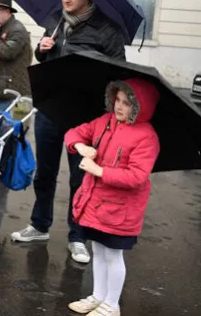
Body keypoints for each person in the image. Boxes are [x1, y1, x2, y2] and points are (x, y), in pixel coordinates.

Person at [11, 0, 127, 265]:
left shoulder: (107, 30)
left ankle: (77, 236)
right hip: (51, 109)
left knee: (80, 178)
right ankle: (39, 225)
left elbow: (119, 74)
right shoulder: (55, 21)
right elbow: (43, 59)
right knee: (44, 173)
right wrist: (42, 50)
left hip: (85, 116)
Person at [64, 78, 160, 316]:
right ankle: (98, 296)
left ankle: (112, 304)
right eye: (117, 100)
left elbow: (137, 176)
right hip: (96, 203)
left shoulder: (146, 136)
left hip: (121, 210)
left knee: (113, 255)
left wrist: (99, 171)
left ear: (138, 107)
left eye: (126, 103)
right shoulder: (105, 121)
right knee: (98, 250)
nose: (119, 106)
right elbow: (73, 133)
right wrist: (80, 146)